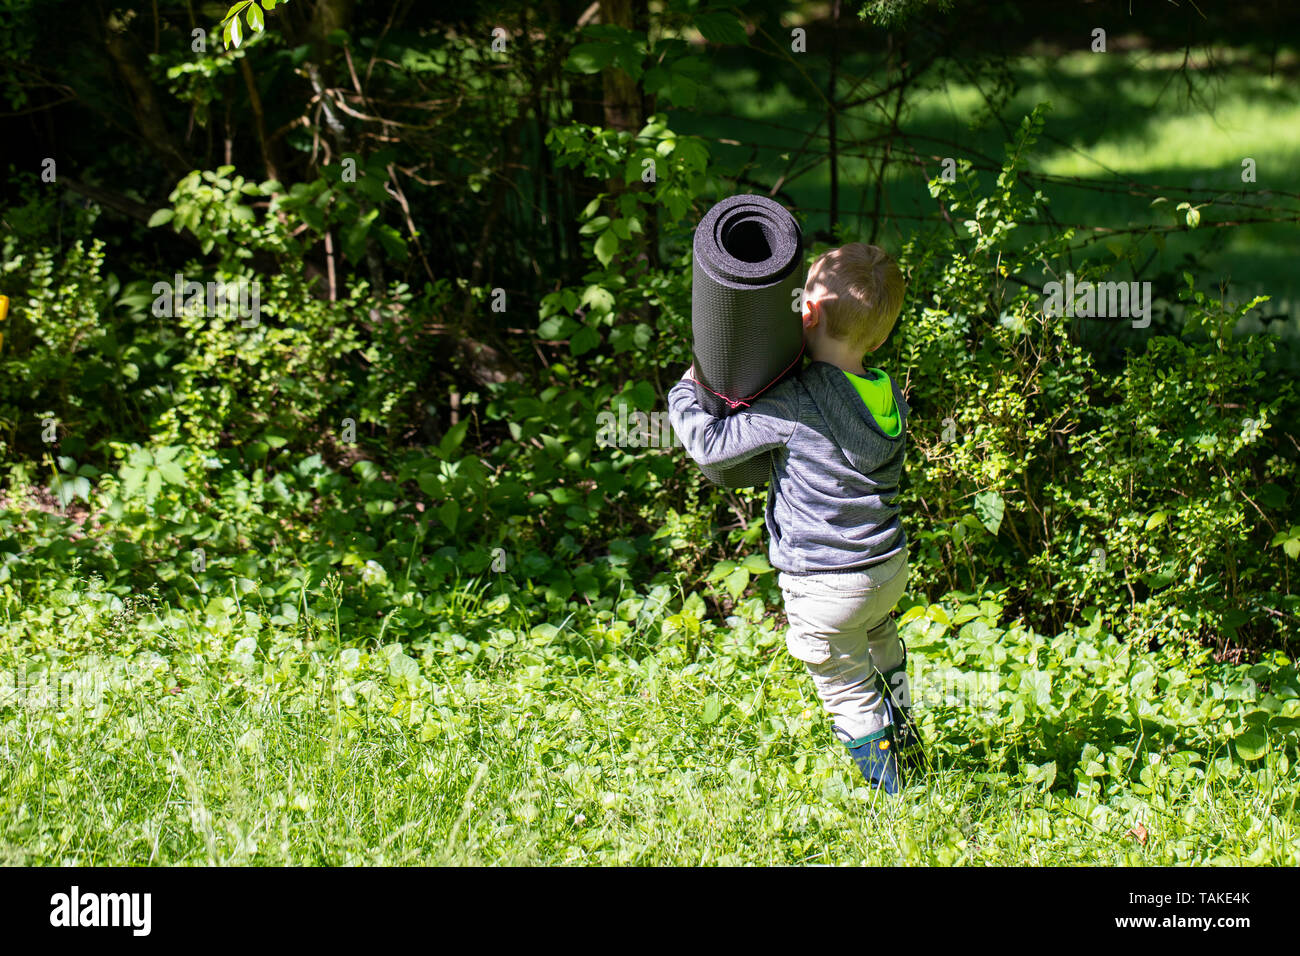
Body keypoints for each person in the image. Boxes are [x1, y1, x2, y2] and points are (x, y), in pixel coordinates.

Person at [667, 242, 920, 793]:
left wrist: (688, 388)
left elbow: (711, 446)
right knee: (881, 652)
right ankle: (913, 756)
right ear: (878, 339)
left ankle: (896, 800)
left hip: (827, 584)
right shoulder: (889, 395)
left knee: (846, 688)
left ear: (805, 314)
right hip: (886, 568)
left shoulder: (797, 401)